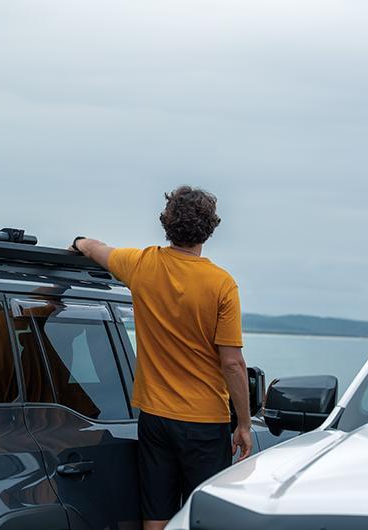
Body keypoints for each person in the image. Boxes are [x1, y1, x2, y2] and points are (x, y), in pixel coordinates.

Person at [70, 185, 252, 530]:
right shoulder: (221, 284)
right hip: (204, 422)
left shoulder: (141, 264)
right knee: (203, 516)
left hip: (154, 417)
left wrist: (78, 243)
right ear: (210, 228)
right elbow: (232, 363)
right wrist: (243, 424)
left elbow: (96, 248)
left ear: (166, 223)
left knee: (155, 514)